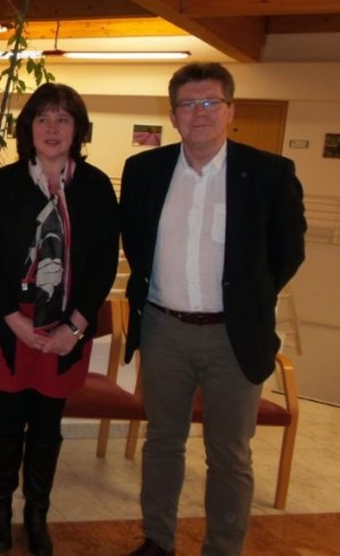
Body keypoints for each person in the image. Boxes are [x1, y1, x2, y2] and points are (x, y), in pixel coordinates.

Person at [120, 62, 306, 556]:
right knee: (162, 441)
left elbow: (288, 252)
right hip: (164, 330)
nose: (199, 113)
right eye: (188, 104)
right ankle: (157, 540)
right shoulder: (145, 171)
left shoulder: (269, 173)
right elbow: (136, 242)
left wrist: (248, 300)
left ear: (231, 111)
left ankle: (223, 548)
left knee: (230, 454)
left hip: (234, 337)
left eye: (210, 103)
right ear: (174, 114)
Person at [0, 83, 119, 555]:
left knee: (46, 423)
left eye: (63, 119)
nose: (52, 128)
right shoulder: (6, 182)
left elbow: (102, 264)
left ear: (77, 129)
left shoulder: (96, 187)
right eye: (43, 119)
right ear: (29, 128)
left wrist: (75, 327)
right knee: (8, 418)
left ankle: (37, 514)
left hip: (66, 326)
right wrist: (11, 321)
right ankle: (0, 509)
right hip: (12, 324)